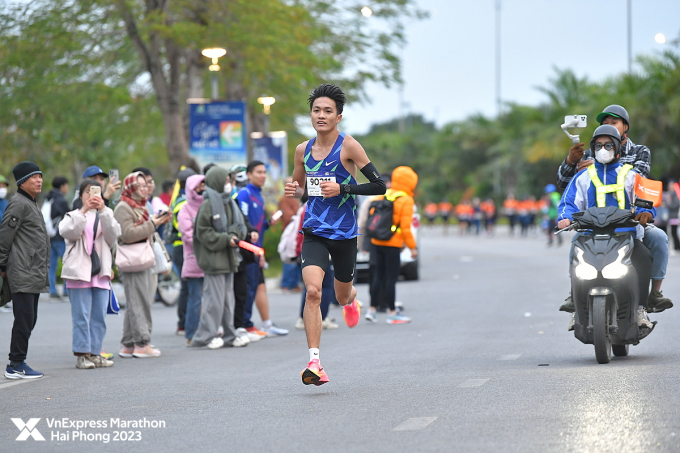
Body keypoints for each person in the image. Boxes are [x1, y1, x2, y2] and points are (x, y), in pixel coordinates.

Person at [285, 83, 386, 386]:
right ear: (310, 115)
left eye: (328, 111)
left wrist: (343, 188)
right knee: (313, 292)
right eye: (316, 110)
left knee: (341, 296)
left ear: (338, 116)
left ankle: (352, 299)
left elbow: (379, 186)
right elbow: (300, 188)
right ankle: (314, 363)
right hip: (314, 231)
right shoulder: (302, 150)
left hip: (344, 234)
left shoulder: (349, 146)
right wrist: (293, 189)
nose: (321, 115)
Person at [556, 105, 672, 312]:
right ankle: (575, 295)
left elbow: (642, 189)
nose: (603, 149)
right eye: (599, 145)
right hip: (592, 227)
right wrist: (571, 162)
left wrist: (646, 212)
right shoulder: (586, 168)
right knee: (576, 243)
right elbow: (568, 193)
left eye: (609, 145)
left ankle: (650, 297)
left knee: (656, 240)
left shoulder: (637, 158)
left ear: (625, 127)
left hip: (629, 226)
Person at [59, 179, 121, 369]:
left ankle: (95, 353)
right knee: (81, 317)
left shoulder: (106, 214)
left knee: (99, 317)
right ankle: (82, 355)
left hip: (100, 272)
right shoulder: (73, 215)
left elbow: (114, 235)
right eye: (87, 191)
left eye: (95, 191)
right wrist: (84, 210)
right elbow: (68, 232)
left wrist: (103, 210)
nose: (91, 195)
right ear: (80, 195)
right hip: (78, 272)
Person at [190, 166, 249, 349]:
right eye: (226, 181)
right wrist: (225, 239)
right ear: (217, 182)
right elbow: (203, 233)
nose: (229, 184)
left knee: (227, 301)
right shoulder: (207, 205)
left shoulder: (229, 202)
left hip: (229, 259)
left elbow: (238, 226)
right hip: (214, 260)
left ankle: (230, 335)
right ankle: (205, 337)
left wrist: (233, 235)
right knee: (213, 301)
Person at [1, 161, 50, 379]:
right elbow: (4, 237)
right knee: (24, 319)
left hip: (32, 271)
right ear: (22, 182)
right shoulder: (18, 204)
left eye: (40, 176)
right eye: (34, 177)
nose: (39, 180)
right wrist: (2, 265)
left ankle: (18, 362)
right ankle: (15, 364)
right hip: (22, 270)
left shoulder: (30, 202)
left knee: (30, 319)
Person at [114, 172, 171, 358]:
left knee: (136, 302)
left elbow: (149, 233)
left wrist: (156, 222)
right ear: (130, 187)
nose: (144, 189)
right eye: (139, 185)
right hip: (132, 260)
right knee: (139, 303)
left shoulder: (140, 205)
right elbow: (127, 234)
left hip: (142, 259)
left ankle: (128, 344)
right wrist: (152, 224)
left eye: (145, 185)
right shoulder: (123, 207)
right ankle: (142, 344)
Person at [235, 160, 288, 338]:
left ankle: (265, 324)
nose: (263, 175)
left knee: (259, 287)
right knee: (248, 289)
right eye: (259, 172)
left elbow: (256, 228)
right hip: (247, 251)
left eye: (265, 172)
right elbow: (243, 222)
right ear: (249, 174)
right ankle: (245, 325)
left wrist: (268, 223)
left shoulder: (258, 195)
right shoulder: (245, 194)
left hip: (257, 250)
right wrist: (253, 249)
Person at [366, 166, 418, 324]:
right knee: (391, 278)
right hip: (393, 243)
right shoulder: (406, 200)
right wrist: (412, 247)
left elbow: (372, 215)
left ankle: (372, 310)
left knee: (378, 276)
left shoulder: (384, 194)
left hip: (376, 241)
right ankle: (393, 313)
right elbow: (406, 228)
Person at [177, 174, 205, 344]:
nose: (201, 189)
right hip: (194, 259)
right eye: (198, 186)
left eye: (203, 185)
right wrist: (208, 242)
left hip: (211, 260)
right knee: (195, 298)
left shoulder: (208, 205)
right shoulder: (185, 210)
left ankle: (207, 330)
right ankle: (191, 334)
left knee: (210, 298)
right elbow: (187, 235)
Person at [45, 176, 71, 298]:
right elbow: (68, 215)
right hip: (60, 237)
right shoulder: (61, 200)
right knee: (67, 263)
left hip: (50, 236)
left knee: (52, 266)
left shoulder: (48, 198)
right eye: (66, 185)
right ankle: (66, 290)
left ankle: (52, 290)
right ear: (62, 186)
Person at [279, 177, 302, 293]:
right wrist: (298, 215)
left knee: (296, 256)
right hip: (289, 232)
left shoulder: (295, 198)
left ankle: (294, 283)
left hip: (297, 232)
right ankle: (287, 284)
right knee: (289, 256)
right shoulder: (285, 199)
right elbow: (288, 216)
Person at [666, 179, 680, 253]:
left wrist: (668, 204)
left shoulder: (675, 194)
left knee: (673, 232)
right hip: (672, 216)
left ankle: (677, 247)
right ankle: (676, 247)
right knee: (673, 232)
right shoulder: (671, 194)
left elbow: (675, 205)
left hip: (674, 216)